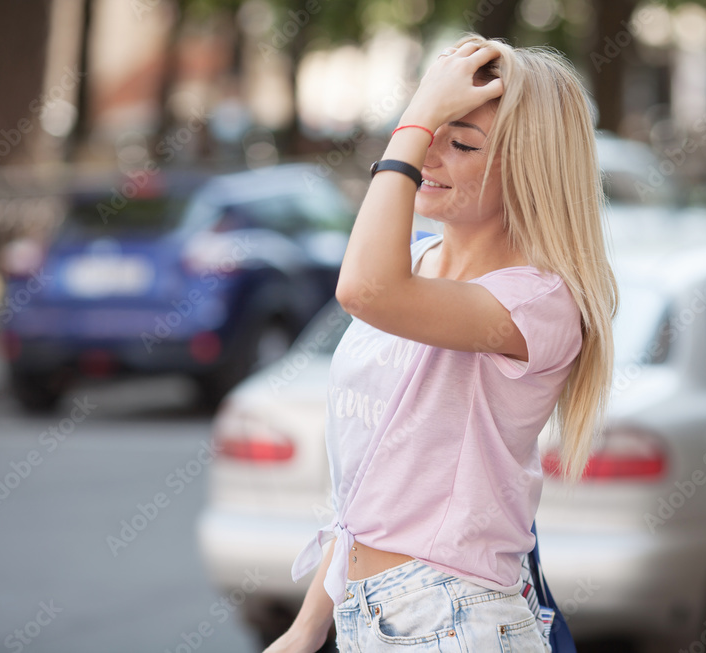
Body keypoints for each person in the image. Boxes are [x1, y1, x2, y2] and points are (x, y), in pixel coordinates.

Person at [264, 33, 619, 653]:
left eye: (460, 144)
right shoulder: (419, 264)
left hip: (451, 617)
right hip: (372, 617)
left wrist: (417, 115)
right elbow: (374, 484)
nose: (428, 156)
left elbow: (364, 290)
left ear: (529, 170)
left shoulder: (536, 302)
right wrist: (306, 628)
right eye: (431, 137)